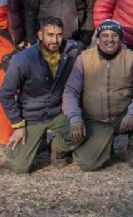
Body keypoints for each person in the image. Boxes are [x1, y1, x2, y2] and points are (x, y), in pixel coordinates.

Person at [61, 19, 133, 171]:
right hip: (96, 120)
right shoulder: (84, 59)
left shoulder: (132, 58)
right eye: (105, 35)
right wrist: (75, 118)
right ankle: (102, 145)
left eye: (114, 35)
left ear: (120, 38)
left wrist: (132, 112)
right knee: (88, 165)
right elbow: (70, 91)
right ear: (97, 39)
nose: (110, 40)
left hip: (123, 116)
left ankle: (132, 149)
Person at [0, 17, 80, 173]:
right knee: (21, 167)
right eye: (50, 35)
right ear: (40, 35)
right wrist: (18, 125)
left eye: (59, 35)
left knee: (83, 133)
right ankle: (29, 146)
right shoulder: (22, 59)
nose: (55, 40)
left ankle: (56, 148)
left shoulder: (72, 52)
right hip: (32, 116)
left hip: (58, 112)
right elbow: (6, 94)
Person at [0, 0, 29, 146]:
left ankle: (6, 136)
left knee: (6, 85)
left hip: (6, 35)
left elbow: (27, 3)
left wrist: (26, 35)